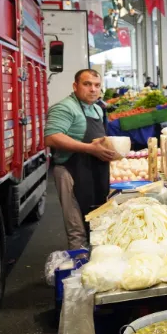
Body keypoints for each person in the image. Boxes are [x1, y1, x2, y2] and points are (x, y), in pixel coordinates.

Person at [44, 69, 121, 249]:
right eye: (87, 84)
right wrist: (89, 149)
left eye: (97, 85)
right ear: (75, 86)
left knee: (96, 223)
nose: (93, 89)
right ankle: (79, 268)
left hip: (93, 172)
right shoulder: (65, 107)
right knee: (77, 227)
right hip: (71, 172)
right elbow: (52, 137)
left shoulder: (96, 109)